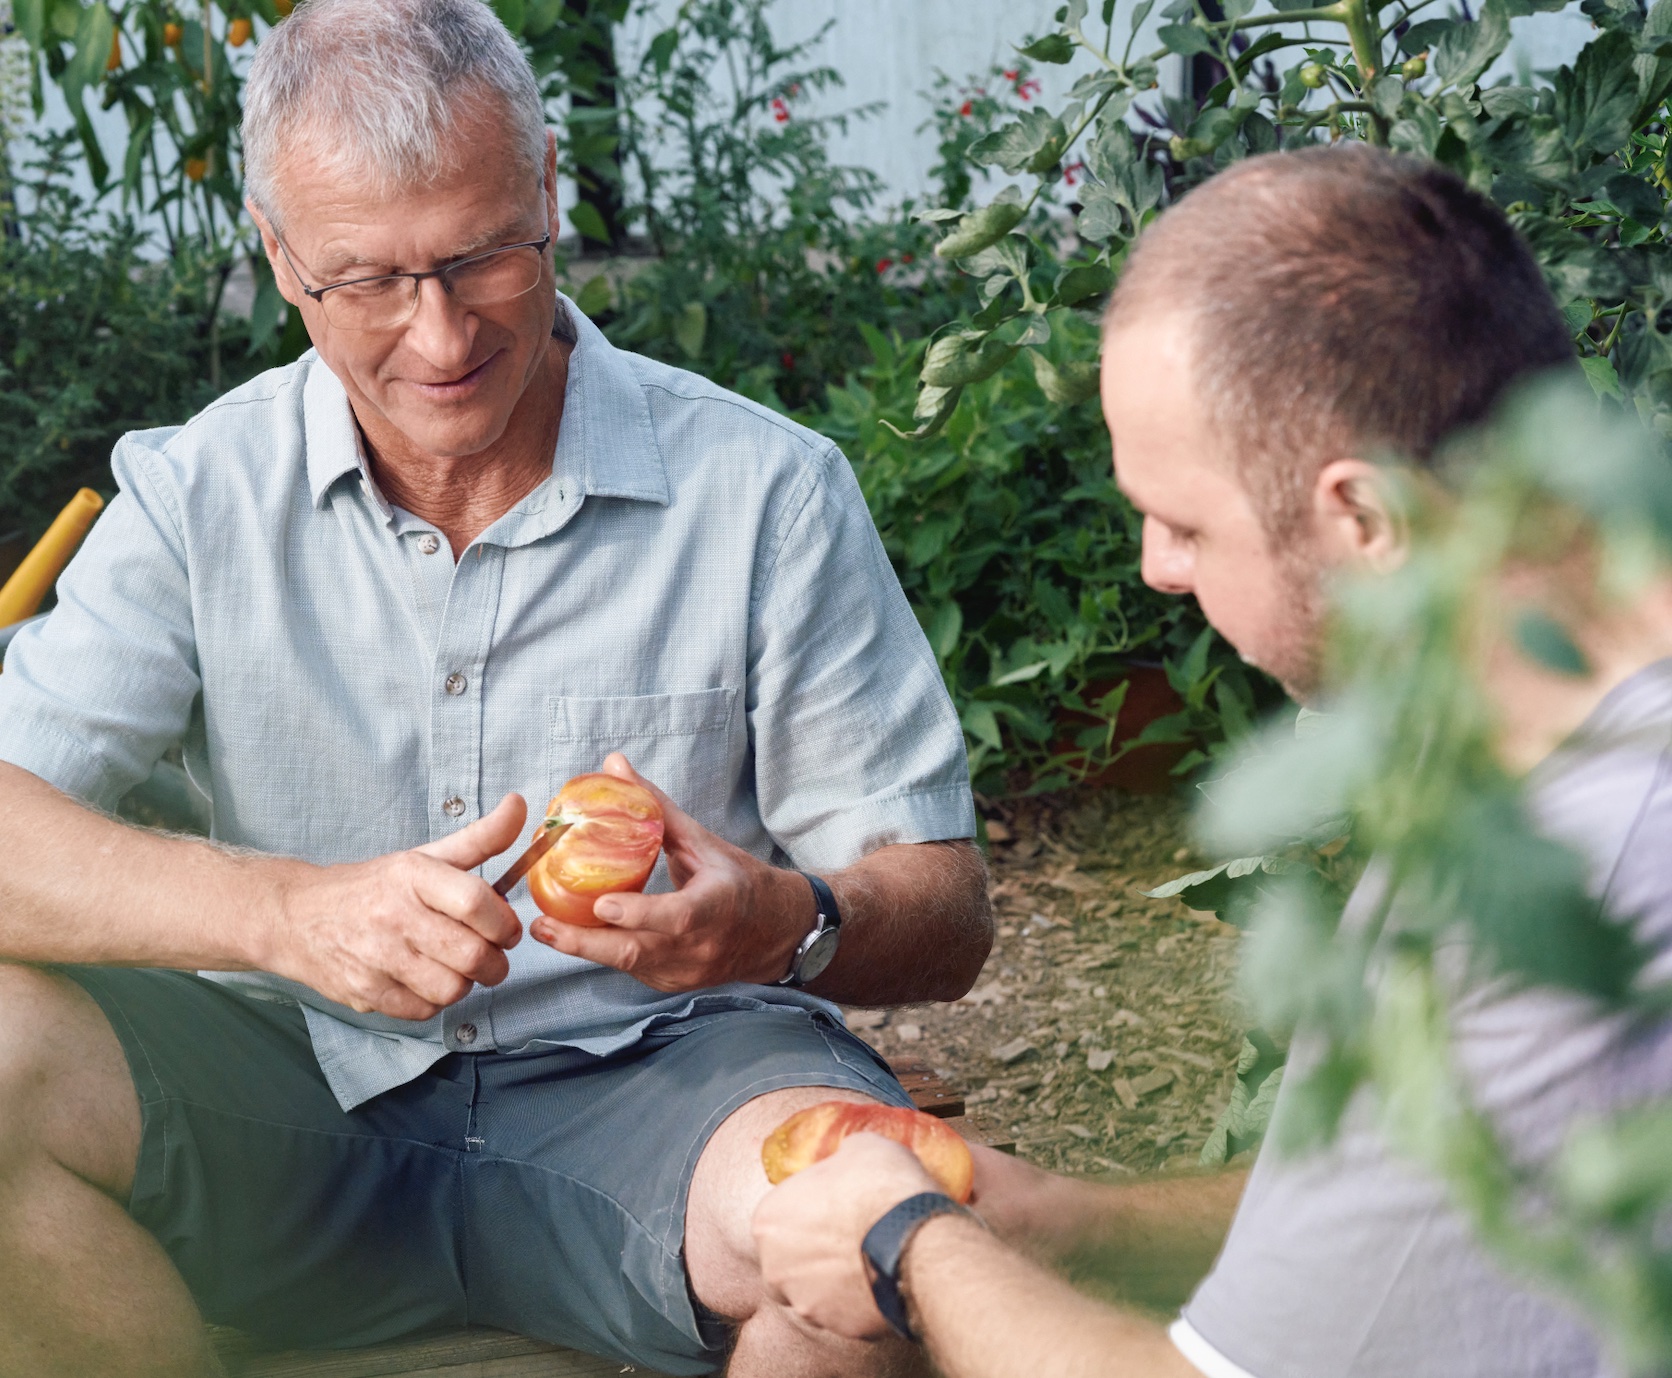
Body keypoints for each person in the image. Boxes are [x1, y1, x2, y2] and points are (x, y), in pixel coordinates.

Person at [0, 3, 994, 1375]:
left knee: (853, 1238)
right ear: (281, 257)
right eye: (368, 279)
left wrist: (783, 919)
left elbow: (945, 911)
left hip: (663, 1097)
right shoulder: (197, 494)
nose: (440, 334)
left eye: (479, 257)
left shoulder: (764, 492)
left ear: (544, 198)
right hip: (286, 1102)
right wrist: (285, 914)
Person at [753, 144, 1672, 1378]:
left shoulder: (1572, 865)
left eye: (1185, 522)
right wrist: (1069, 1222)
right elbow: (1404, 1196)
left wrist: (905, 1242)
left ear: (1368, 520)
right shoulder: (1549, 727)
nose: (1156, 568)